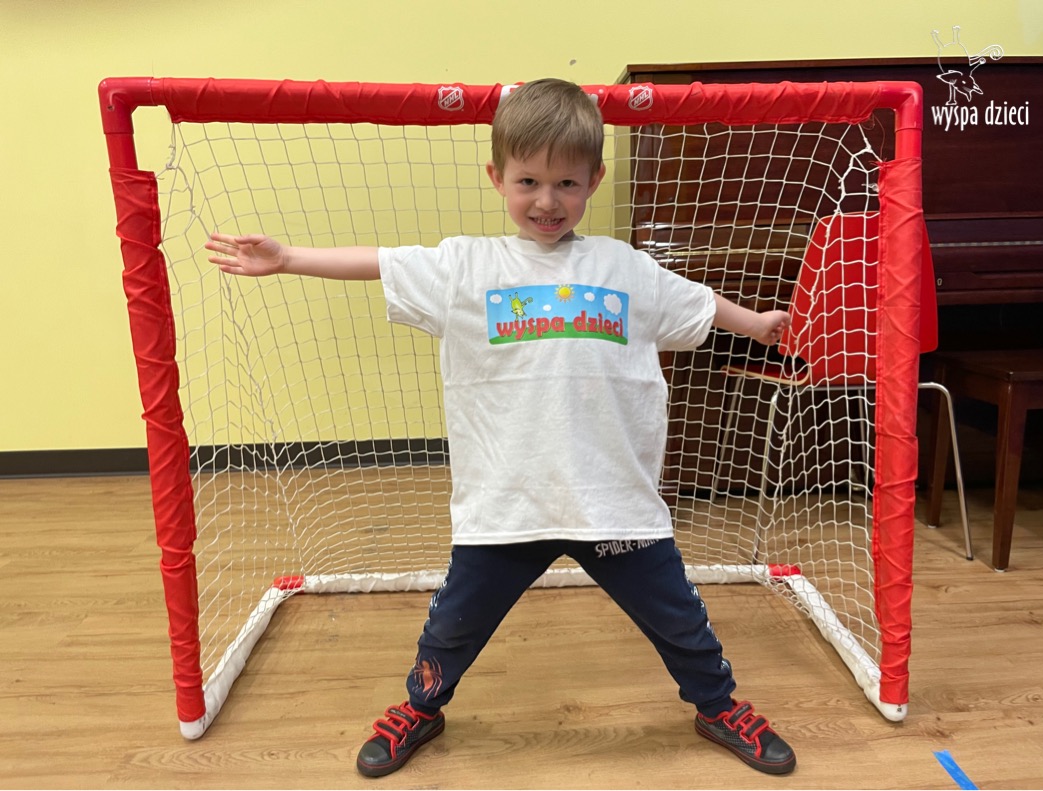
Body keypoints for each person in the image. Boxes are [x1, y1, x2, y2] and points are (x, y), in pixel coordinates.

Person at [206, 77, 796, 778]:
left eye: (567, 183)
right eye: (529, 182)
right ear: (497, 177)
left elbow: (695, 302)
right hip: (506, 504)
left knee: (679, 619)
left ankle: (717, 704)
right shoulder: (466, 266)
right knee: (453, 625)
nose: (548, 200)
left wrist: (757, 324)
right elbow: (380, 261)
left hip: (613, 500)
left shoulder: (624, 267)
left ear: (594, 180)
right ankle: (422, 707)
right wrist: (288, 259)